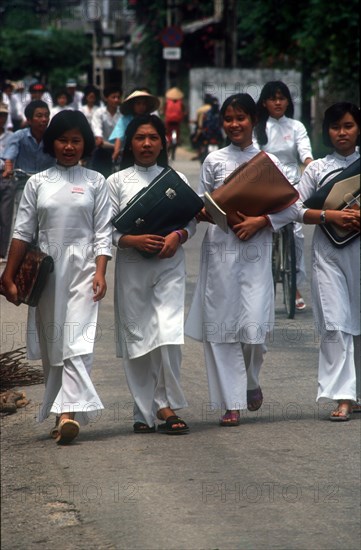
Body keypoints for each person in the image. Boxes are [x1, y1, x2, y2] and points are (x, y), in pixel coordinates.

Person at [185, 93, 299, 426]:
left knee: (254, 330)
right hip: (221, 251)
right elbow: (202, 207)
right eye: (229, 119)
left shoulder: (269, 161)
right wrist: (211, 215)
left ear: (254, 120)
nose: (235, 125)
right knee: (221, 327)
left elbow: (292, 207)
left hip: (255, 251)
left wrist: (261, 222)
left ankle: (251, 381)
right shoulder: (213, 161)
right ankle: (230, 402)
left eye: (241, 118)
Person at [1, 110, 113, 444]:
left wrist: (101, 272)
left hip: (84, 271)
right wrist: (7, 277)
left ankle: (68, 414)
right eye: (62, 140)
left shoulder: (96, 182)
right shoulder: (38, 183)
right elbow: (21, 233)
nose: (68, 146)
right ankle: (63, 412)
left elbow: (103, 234)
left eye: (75, 140)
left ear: (85, 144)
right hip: (47, 274)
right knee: (55, 346)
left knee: (78, 341)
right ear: (52, 143)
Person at [107, 114, 195, 435]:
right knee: (138, 338)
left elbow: (191, 221)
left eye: (153, 138)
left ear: (164, 142)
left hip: (170, 265)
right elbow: (106, 231)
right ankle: (143, 411)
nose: (146, 144)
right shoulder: (115, 182)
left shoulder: (176, 180)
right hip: (133, 267)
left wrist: (178, 237)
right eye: (140, 138)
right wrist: (132, 240)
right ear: (130, 143)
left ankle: (165, 404)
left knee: (168, 334)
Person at [296, 102, 360, 421]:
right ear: (327, 132)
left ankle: (356, 392)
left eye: (348, 126)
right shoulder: (317, 169)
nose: (342, 133)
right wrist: (329, 215)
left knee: (358, 321)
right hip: (328, 253)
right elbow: (293, 209)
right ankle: (343, 396)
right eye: (335, 127)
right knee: (335, 322)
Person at [255, 81, 314, 311]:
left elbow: (305, 151)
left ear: (288, 101)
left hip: (292, 184)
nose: (277, 102)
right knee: (263, 232)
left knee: (297, 233)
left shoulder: (296, 126)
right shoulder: (258, 127)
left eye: (282, 98)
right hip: (265, 183)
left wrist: (309, 163)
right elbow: (253, 155)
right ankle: (262, 286)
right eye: (273, 98)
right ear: (265, 102)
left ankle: (295, 286)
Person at [108, 89, 160, 162]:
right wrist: (116, 151)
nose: (141, 106)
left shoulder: (151, 119)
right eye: (138, 104)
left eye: (144, 104)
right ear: (132, 105)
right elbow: (119, 137)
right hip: (129, 153)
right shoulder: (125, 120)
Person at [91, 85, 121, 177]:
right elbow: (97, 127)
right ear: (106, 98)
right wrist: (98, 137)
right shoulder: (99, 112)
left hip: (120, 151)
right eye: (113, 97)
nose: (116, 100)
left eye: (118, 97)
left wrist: (117, 149)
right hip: (103, 149)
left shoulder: (123, 114)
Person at [0, 103, 14, 261]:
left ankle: (2, 252)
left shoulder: (11, 136)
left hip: (7, 176)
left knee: (5, 215)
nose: (1, 118)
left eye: (3, 115)